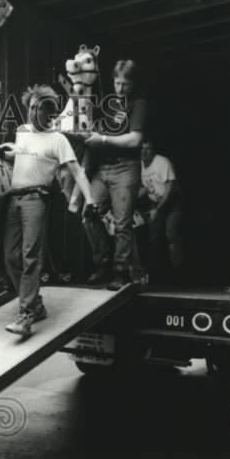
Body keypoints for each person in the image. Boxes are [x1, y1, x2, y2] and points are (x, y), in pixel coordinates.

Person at [0, 85, 93, 339]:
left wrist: (90, 197)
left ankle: (26, 315)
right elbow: (21, 158)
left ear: (48, 113)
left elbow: (77, 171)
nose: (31, 113)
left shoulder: (57, 140)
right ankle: (37, 305)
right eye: (29, 107)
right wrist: (8, 155)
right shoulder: (22, 132)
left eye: (37, 109)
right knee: (10, 257)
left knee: (31, 257)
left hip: (35, 201)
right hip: (13, 201)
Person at [83, 59, 149, 290]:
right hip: (102, 167)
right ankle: (102, 263)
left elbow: (135, 139)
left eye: (125, 84)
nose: (120, 89)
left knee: (122, 223)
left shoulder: (138, 103)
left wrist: (102, 139)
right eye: (117, 83)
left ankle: (120, 271)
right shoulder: (107, 103)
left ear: (133, 84)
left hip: (126, 167)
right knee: (89, 213)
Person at [139, 137, 185, 283]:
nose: (144, 152)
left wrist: (158, 209)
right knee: (153, 238)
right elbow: (145, 188)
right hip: (156, 203)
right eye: (142, 149)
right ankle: (157, 276)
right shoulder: (139, 164)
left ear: (153, 151)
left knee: (172, 234)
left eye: (148, 149)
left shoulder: (162, 162)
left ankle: (179, 274)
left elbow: (171, 187)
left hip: (173, 201)